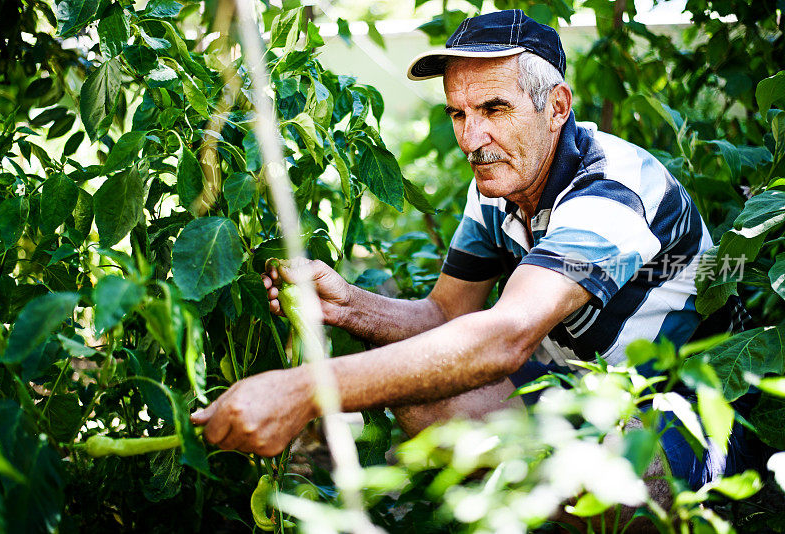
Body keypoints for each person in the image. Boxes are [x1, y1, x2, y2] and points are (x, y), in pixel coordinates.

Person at [191, 9, 754, 504]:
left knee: (598, 483)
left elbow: (504, 336)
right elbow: (447, 316)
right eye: (459, 114)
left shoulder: (611, 193)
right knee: (421, 400)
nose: (471, 138)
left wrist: (303, 390)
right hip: (577, 391)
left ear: (556, 107)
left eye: (494, 108)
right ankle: (540, 510)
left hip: (683, 413)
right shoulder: (504, 177)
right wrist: (348, 306)